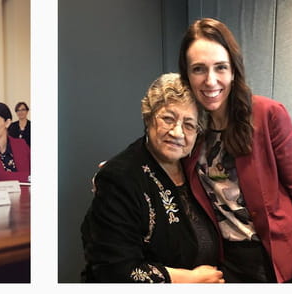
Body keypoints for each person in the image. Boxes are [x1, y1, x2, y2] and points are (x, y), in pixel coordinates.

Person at [179, 18, 292, 283]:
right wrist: (120, 170)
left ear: (233, 70)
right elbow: (157, 144)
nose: (210, 81)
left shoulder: (267, 114)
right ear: (187, 75)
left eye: (220, 67)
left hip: (273, 258)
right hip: (223, 260)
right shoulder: (190, 126)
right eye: (198, 69)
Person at [81, 73, 223, 283]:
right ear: (148, 117)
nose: (177, 132)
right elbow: (114, 269)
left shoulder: (198, 169)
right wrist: (189, 280)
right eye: (168, 118)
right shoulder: (119, 177)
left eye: (189, 125)